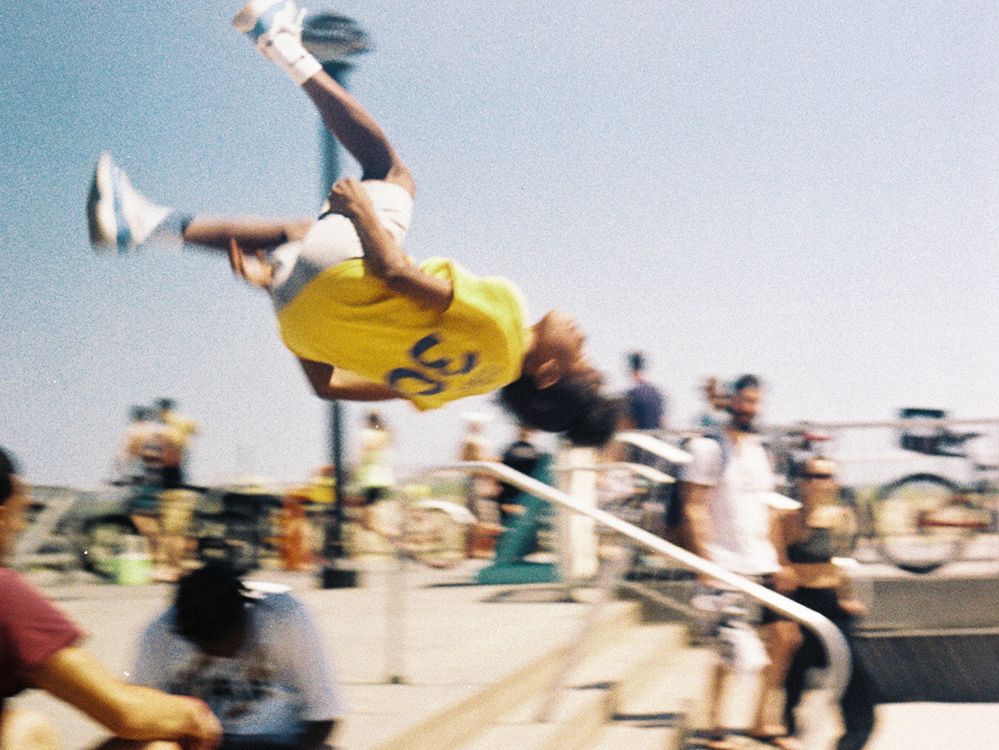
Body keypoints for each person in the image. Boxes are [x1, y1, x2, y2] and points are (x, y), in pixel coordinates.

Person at [86, 0, 617, 448]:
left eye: (584, 356)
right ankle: (138, 223)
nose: (584, 336)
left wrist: (363, 213)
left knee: (390, 172)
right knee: (301, 235)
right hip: (300, 320)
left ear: (548, 372)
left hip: (346, 278)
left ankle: (278, 41)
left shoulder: (505, 317)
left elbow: (395, 273)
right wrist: (277, 287)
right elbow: (328, 387)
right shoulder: (465, 386)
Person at [0, 446, 222, 750]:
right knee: (157, 745)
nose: (21, 526)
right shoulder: (5, 592)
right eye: (19, 513)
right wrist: (195, 715)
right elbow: (124, 712)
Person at [679, 375, 801, 750]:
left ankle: (761, 721)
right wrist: (705, 563)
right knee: (729, 650)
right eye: (744, 401)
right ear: (730, 401)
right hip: (725, 563)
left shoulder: (759, 450)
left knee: (785, 637)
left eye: (755, 402)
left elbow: (768, 511)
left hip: (761, 560)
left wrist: (780, 561)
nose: (750, 408)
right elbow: (693, 506)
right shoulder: (707, 448)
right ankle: (714, 725)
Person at [132, 560, 344, 749]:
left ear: (244, 612)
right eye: (210, 646)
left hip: (280, 742)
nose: (223, 655)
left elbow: (325, 715)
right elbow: (141, 719)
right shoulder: (162, 632)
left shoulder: (285, 616)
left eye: (229, 641)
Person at [781, 456, 876, 750]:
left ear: (835, 483)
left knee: (851, 668)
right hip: (799, 600)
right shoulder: (788, 519)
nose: (818, 483)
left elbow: (842, 562)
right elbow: (781, 566)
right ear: (801, 482)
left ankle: (854, 736)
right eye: (811, 476)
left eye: (825, 476)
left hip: (830, 599)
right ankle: (786, 728)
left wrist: (847, 597)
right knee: (795, 670)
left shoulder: (843, 518)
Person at [354, 411, 394, 529]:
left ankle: (373, 524)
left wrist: (357, 468)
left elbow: (362, 452)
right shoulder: (384, 434)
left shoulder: (366, 434)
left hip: (370, 474)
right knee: (376, 502)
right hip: (383, 475)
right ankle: (376, 524)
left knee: (370, 502)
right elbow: (391, 439)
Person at [496, 426, 543, 526]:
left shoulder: (509, 450)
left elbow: (501, 473)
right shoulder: (535, 452)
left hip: (508, 494)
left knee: (507, 524)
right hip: (525, 493)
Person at [622, 351, 666, 430]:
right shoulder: (656, 392)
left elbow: (628, 420)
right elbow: (662, 420)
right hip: (655, 434)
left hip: (638, 434)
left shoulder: (632, 394)